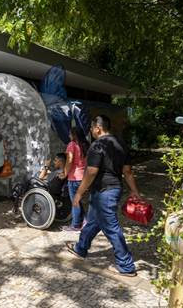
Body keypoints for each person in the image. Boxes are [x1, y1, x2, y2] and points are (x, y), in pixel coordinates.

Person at [66, 115, 142, 277]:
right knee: (94, 221)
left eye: (92, 128)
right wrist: (134, 190)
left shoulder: (98, 145)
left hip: (104, 192)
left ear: (98, 128)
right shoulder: (121, 143)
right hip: (111, 189)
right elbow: (127, 171)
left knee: (111, 228)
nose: (91, 132)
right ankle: (80, 248)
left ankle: (126, 266)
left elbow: (91, 172)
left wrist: (79, 193)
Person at [61, 127, 89, 231]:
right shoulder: (85, 145)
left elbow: (69, 161)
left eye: (70, 134)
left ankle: (76, 225)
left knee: (75, 202)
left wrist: (64, 173)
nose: (69, 136)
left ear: (74, 134)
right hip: (84, 177)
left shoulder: (71, 145)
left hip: (74, 178)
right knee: (80, 201)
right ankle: (85, 221)